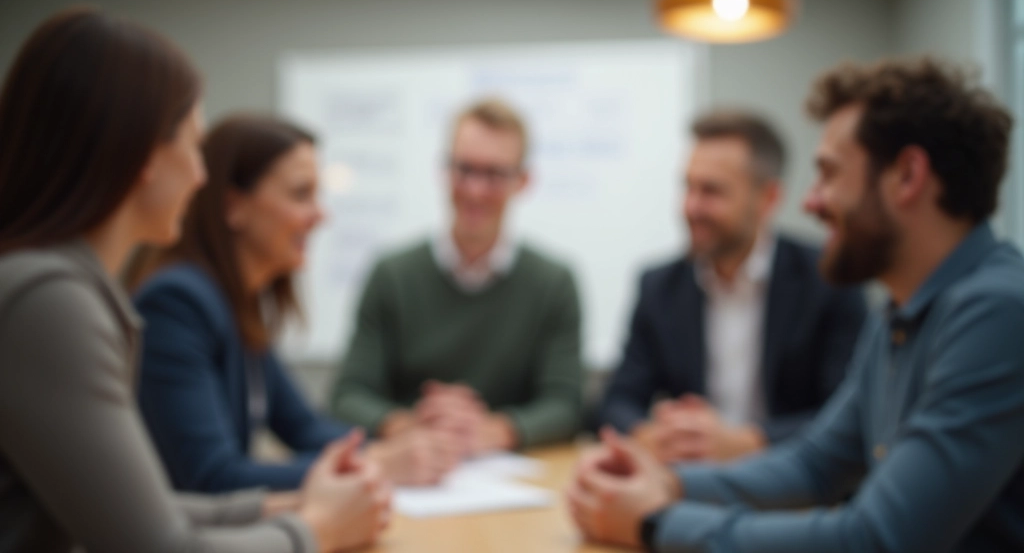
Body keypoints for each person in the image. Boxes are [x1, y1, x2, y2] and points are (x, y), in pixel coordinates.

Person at [567, 57, 1024, 552]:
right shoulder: (902, 308)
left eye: (828, 174)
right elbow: (815, 463)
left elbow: (873, 539)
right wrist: (667, 483)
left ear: (908, 177)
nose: (811, 201)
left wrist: (655, 522)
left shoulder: (999, 312)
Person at [0, 9, 388, 553]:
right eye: (192, 146)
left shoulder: (62, 286)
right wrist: (317, 530)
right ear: (141, 154)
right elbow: (158, 543)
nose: (201, 176)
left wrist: (294, 505)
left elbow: (144, 510)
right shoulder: (50, 298)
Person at [127, 115, 460, 493]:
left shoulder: (237, 305)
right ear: (233, 207)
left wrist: (406, 444)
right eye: (301, 195)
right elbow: (214, 477)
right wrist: (378, 462)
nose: (320, 215)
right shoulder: (177, 304)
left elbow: (305, 427)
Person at [599, 111, 866, 463]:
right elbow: (616, 401)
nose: (690, 207)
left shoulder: (829, 278)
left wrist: (748, 442)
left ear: (768, 198)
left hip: (796, 484)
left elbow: (852, 413)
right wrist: (652, 435)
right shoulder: (660, 286)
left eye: (711, 191)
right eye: (688, 187)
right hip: (692, 484)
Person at [329, 98, 583, 455]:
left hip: (512, 483)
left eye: (494, 174)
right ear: (444, 171)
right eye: (464, 169)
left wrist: (494, 430)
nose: (475, 190)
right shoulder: (392, 275)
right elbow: (348, 395)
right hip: (408, 475)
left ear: (523, 181)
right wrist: (411, 425)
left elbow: (567, 405)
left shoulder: (553, 283)